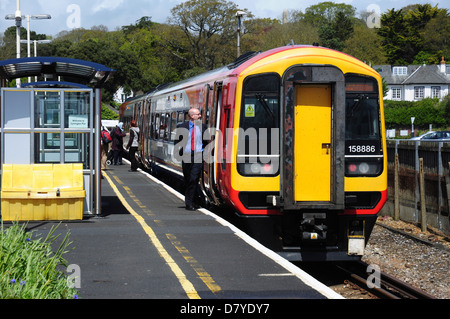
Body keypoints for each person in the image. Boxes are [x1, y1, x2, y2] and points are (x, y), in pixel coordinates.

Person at [176, 108, 207, 210]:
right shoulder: (182, 127)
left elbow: (206, 142)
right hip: (186, 156)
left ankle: (189, 204)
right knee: (188, 179)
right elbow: (177, 142)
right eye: (198, 114)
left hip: (198, 156)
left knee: (194, 178)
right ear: (192, 116)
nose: (200, 116)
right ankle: (193, 201)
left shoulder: (203, 127)